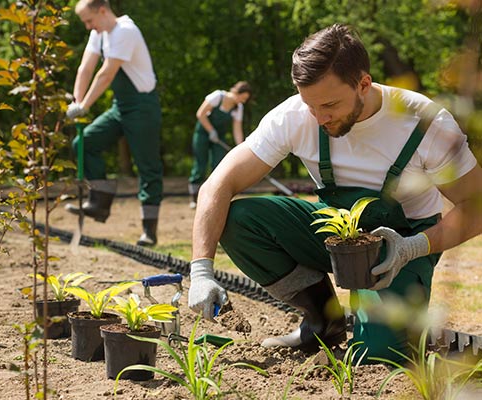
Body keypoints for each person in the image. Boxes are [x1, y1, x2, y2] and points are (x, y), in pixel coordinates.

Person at [187, 24, 482, 363]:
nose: (319, 117)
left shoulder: (424, 123)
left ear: (363, 84)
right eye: (310, 105)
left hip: (403, 246)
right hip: (335, 234)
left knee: (380, 358)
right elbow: (218, 184)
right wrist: (201, 272)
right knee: (240, 220)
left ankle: (380, 323)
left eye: (329, 105)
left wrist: (411, 248)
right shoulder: (296, 116)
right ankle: (322, 319)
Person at [65, 0, 163, 246]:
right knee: (83, 143)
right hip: (120, 107)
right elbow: (85, 68)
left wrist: (85, 106)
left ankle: (149, 231)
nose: (88, 27)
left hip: (142, 107)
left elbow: (106, 74)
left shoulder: (125, 31)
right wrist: (77, 100)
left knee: (147, 167)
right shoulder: (99, 34)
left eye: (89, 20)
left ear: (102, 10)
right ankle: (99, 204)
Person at [188, 82, 252, 208]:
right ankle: (194, 198)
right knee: (200, 165)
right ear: (236, 92)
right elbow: (200, 114)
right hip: (203, 134)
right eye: (242, 98)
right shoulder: (217, 96)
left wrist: (241, 147)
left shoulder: (238, 108)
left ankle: (212, 198)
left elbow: (237, 129)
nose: (242, 102)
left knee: (218, 165)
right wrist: (211, 131)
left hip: (219, 138)